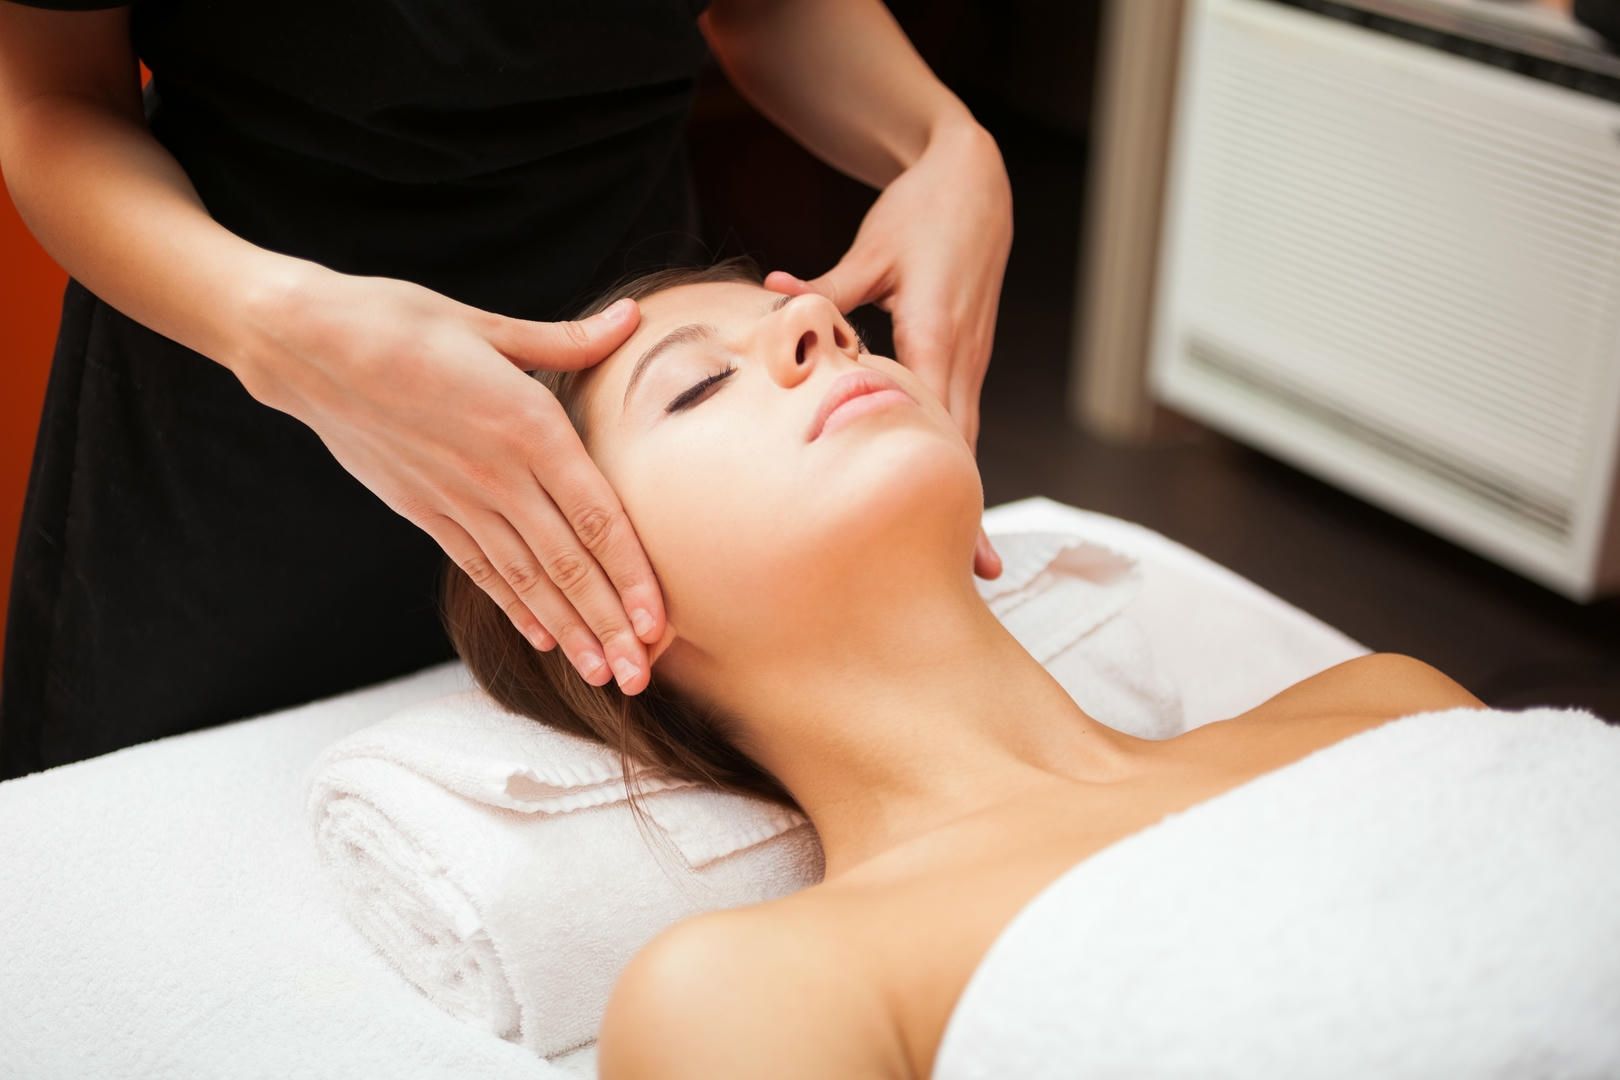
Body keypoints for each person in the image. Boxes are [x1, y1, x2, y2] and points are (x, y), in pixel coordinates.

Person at [439, 257, 1498, 1078]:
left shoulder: (1388, 706)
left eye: (839, 329)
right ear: (600, 601)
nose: (819, 321)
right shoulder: (753, 992)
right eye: (700, 386)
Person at [0, 0, 1011, 780]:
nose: (811, 321)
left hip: (620, 396)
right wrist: (269, 321)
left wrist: (942, 143)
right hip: (246, 438)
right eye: (700, 384)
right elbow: (53, 101)